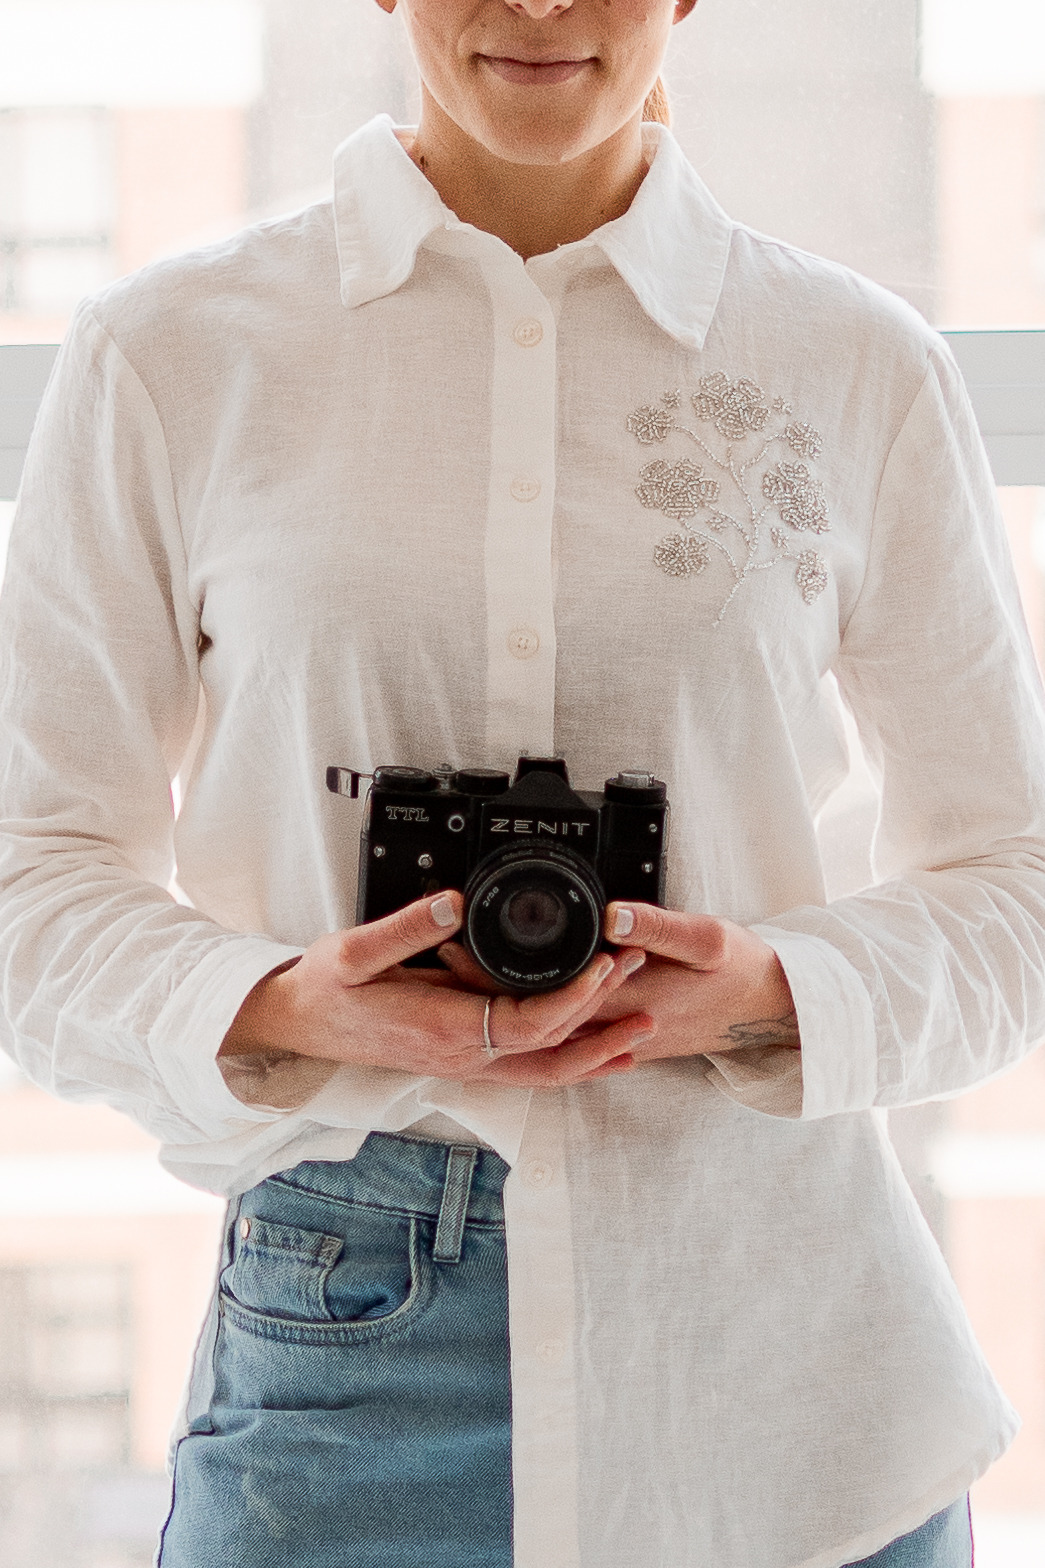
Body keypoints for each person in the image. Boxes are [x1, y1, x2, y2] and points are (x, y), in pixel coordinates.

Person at [1, 0, 1043, 1563]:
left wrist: (763, 992)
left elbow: (1017, 886)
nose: (543, 6)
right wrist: (290, 1005)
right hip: (344, 1330)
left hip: (786, 1359)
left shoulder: (854, 365)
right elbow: (32, 880)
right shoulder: (173, 353)